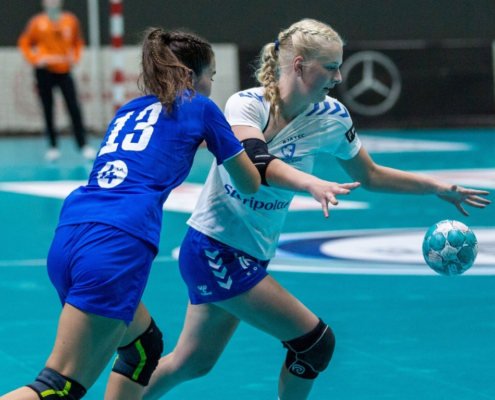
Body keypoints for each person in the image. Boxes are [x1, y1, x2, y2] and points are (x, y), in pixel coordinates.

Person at [142, 18, 491, 400]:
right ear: (300, 65)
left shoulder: (332, 117)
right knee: (314, 343)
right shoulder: (247, 104)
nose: (338, 77)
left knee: (192, 363)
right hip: (215, 248)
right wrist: (310, 183)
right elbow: (256, 161)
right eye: (330, 67)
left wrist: (437, 187)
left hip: (252, 252)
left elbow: (371, 175)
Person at [0, 28, 260, 400]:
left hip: (71, 234)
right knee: (58, 387)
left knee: (143, 348)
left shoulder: (128, 110)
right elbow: (250, 182)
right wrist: (245, 140)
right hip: (116, 243)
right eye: (211, 78)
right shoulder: (201, 106)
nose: (211, 87)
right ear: (190, 76)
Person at [18, 0, 96, 161]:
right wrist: (35, 59)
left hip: (64, 70)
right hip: (44, 71)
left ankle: (83, 145)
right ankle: (52, 146)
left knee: (73, 107)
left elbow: (78, 42)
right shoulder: (37, 22)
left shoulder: (70, 20)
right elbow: (24, 42)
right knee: (47, 108)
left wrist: (75, 57)